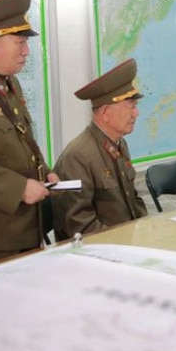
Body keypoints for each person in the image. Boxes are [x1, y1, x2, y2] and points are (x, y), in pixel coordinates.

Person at [0, 0, 59, 260]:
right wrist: (18, 187)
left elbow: (23, 140)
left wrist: (45, 172)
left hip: (25, 228)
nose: (26, 52)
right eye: (19, 42)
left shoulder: (10, 85)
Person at [51, 58, 147, 241]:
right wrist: (122, 244)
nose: (136, 113)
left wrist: (143, 232)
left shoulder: (118, 143)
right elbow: (80, 224)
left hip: (125, 244)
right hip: (98, 251)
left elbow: (133, 202)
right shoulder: (78, 156)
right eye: (131, 107)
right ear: (105, 113)